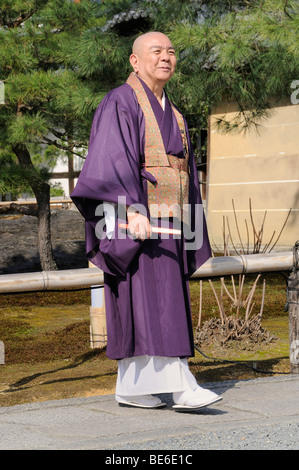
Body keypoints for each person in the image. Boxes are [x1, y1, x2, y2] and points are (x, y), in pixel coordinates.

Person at [71, 31, 222, 410]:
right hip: (137, 223)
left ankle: (132, 387)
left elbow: (182, 171)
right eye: (156, 51)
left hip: (168, 224)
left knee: (152, 303)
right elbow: (111, 160)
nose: (166, 57)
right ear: (135, 61)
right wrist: (131, 211)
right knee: (157, 304)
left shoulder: (174, 112)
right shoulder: (120, 101)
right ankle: (182, 385)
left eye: (171, 51)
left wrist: (190, 222)